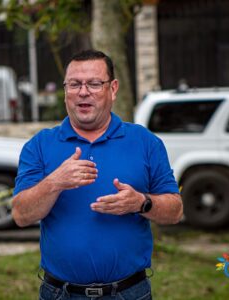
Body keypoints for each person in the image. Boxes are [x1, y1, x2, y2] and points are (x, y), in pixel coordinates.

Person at [12, 50, 183, 300]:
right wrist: (55, 182)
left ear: (112, 89)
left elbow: (175, 211)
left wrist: (141, 202)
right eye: (74, 84)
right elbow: (21, 215)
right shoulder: (39, 145)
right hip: (61, 294)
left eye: (94, 83)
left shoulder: (145, 142)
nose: (83, 92)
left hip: (129, 293)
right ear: (65, 91)